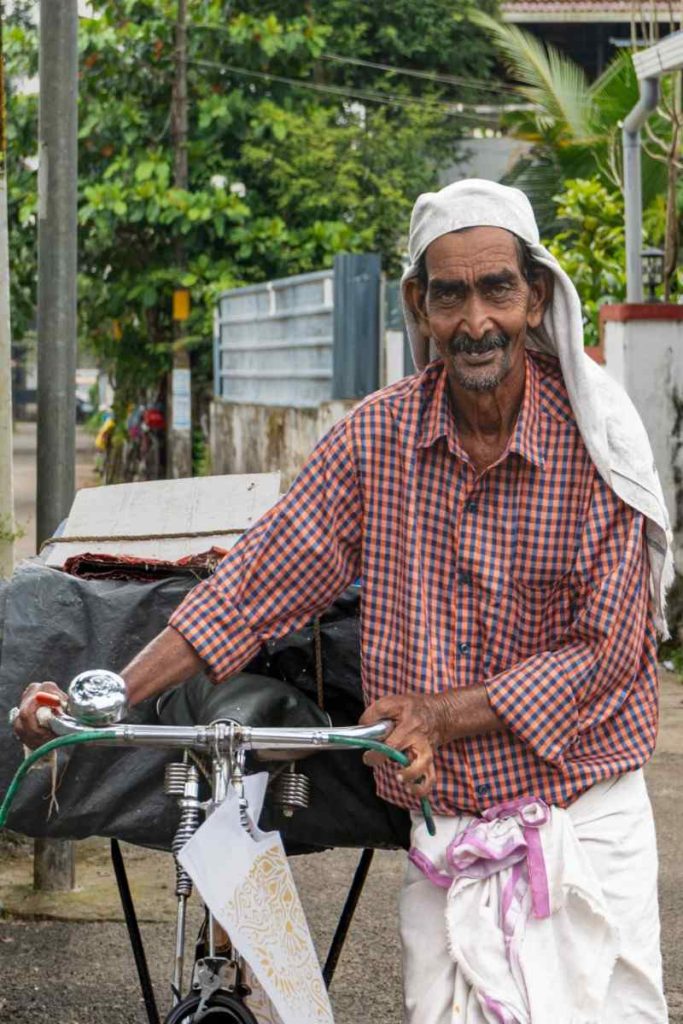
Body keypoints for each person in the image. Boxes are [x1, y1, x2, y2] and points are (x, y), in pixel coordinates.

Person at [14, 180, 672, 1023]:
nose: (475, 322)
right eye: (449, 294)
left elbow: (606, 654)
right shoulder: (375, 440)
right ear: (419, 305)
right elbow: (248, 590)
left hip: (584, 823)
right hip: (445, 822)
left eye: (496, 289)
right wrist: (96, 700)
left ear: (535, 294)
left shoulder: (595, 445)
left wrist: (438, 716)